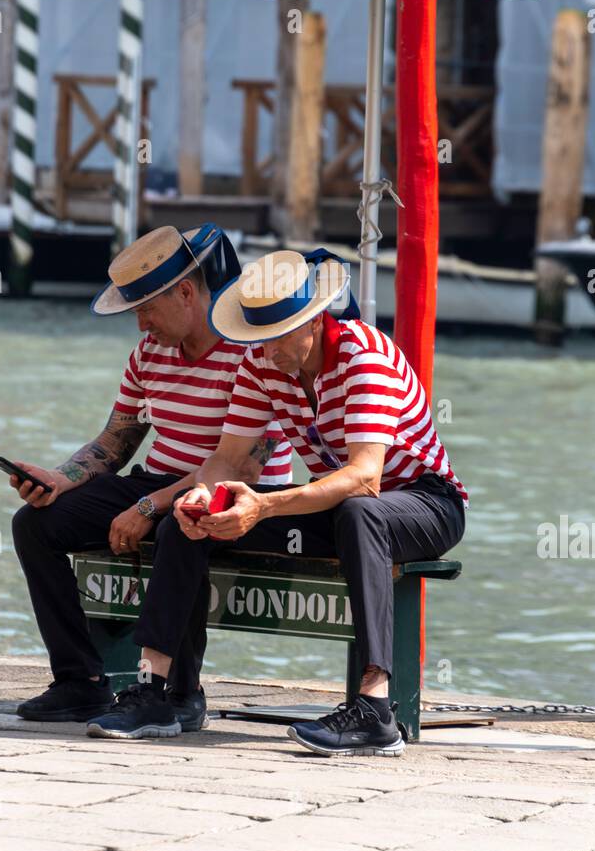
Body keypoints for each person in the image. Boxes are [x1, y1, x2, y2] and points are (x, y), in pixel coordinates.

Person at [88, 248, 467, 756]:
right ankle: (157, 689)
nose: (265, 354)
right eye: (256, 340)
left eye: (276, 337)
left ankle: (375, 710)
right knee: (187, 518)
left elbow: (364, 478)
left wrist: (263, 507)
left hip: (425, 503)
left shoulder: (364, 359)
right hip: (339, 503)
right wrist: (206, 494)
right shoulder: (260, 361)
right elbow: (226, 459)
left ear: (312, 322)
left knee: (359, 511)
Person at [6, 224, 291, 727]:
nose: (141, 325)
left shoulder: (250, 353)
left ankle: (179, 693)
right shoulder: (148, 354)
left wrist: (149, 506)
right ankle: (81, 682)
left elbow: (244, 466)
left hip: (238, 494)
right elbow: (115, 442)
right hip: (159, 482)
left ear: (185, 293)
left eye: (146, 310)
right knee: (35, 523)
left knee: (177, 522)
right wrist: (57, 478)